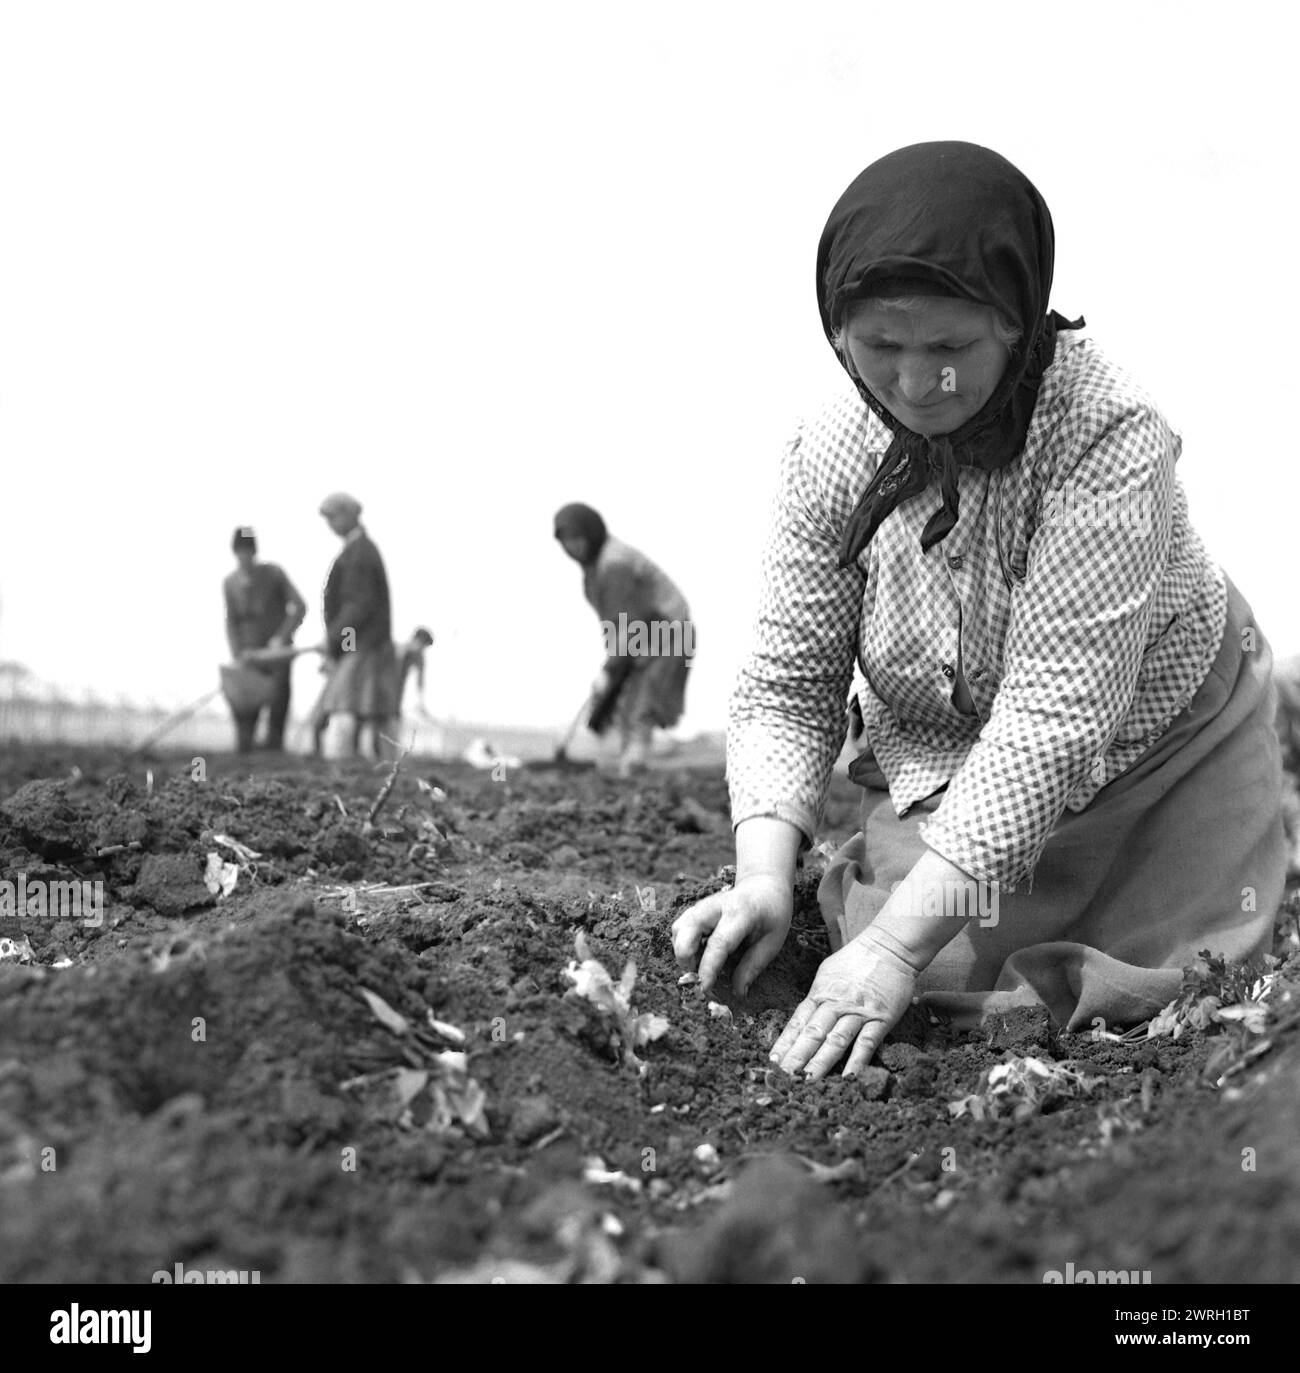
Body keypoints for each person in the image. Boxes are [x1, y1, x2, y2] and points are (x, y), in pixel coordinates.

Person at [672, 141, 1286, 1082]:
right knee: (937, 971)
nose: (919, 387)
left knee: (1167, 975)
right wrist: (761, 874)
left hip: (1151, 747)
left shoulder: (1106, 431)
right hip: (951, 757)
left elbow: (1051, 721)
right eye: (882, 348)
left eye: (952, 349)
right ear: (837, 334)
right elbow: (790, 685)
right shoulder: (828, 449)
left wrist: (890, 952)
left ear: (1014, 322)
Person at [554, 503, 695, 776]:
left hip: (667, 632)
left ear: (590, 533)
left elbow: (629, 624)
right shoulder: (596, 568)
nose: (573, 548)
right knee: (624, 705)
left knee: (642, 703)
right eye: (566, 543)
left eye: (576, 539)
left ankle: (635, 767)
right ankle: (629, 764)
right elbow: (618, 624)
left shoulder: (614, 564)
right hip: (645, 635)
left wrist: (610, 669)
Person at [312, 492, 399, 758]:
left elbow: (358, 606)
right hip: (362, 644)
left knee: (345, 708)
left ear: (350, 515)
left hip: (363, 645)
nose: (331, 524)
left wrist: (335, 639)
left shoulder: (359, 553)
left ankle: (344, 769)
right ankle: (384, 767)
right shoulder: (357, 549)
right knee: (371, 710)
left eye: (333, 517)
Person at [221, 526, 306, 752]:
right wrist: (238, 653)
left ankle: (274, 760)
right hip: (250, 660)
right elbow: (231, 622)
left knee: (277, 714)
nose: (245, 557)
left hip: (276, 658)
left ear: (255, 552)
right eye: (240, 552)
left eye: (249, 551)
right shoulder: (230, 583)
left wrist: (281, 636)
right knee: (245, 720)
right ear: (235, 553)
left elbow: (299, 607)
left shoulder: (274, 574)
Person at [396, 626, 435, 718]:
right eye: (422, 646)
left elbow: (420, 681)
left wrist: (421, 703)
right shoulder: (397, 650)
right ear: (415, 640)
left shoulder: (419, 657)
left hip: (396, 697)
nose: (422, 650)